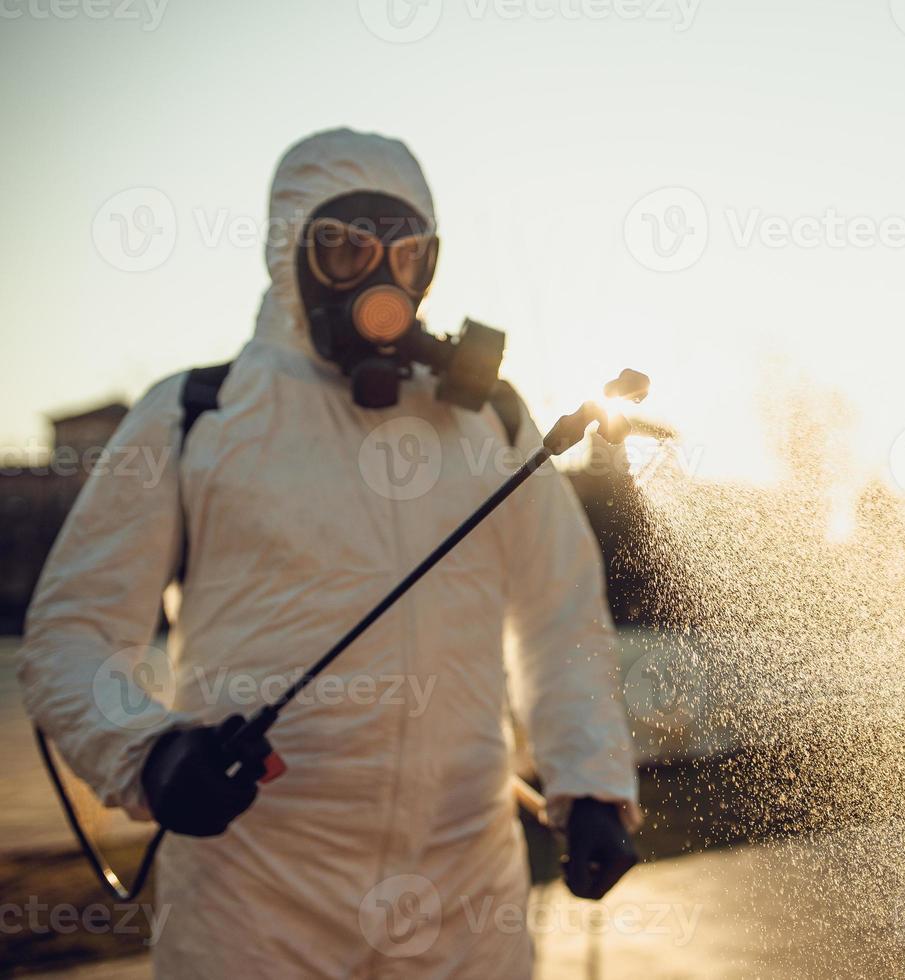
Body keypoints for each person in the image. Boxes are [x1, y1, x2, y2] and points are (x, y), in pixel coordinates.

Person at [18, 128, 640, 978]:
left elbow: (559, 613)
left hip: (463, 897)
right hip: (254, 900)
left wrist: (593, 783)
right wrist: (150, 754)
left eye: (407, 254)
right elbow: (72, 634)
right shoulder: (196, 416)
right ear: (291, 259)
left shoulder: (489, 422)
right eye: (345, 250)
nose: (382, 280)